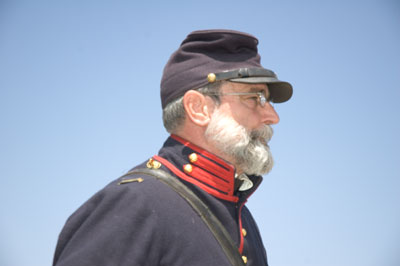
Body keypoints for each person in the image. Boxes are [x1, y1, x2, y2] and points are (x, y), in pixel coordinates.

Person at [53, 29, 293, 266]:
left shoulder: (240, 218)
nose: (272, 116)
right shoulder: (134, 204)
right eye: (254, 98)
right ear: (198, 108)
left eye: (268, 100)